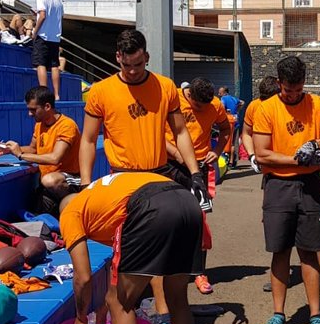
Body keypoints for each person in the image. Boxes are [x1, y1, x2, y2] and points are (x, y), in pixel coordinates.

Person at [61, 171, 202, 324]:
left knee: (120, 304)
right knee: (177, 298)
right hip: (188, 202)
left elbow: (83, 277)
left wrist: (81, 316)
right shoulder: (101, 193)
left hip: (150, 207)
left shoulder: (70, 212)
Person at [251, 54, 320, 324]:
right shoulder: (266, 108)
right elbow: (262, 153)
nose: (293, 95)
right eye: (288, 90)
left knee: (309, 251)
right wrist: (298, 157)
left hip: (310, 186)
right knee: (280, 251)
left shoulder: (318, 104)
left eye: (298, 89)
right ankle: (278, 314)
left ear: (304, 82)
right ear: (280, 83)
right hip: (278, 188)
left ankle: (316, 315)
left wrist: (314, 143)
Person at [79, 28, 207, 197]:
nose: (132, 71)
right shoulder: (100, 91)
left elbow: (180, 131)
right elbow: (89, 139)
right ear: (118, 57)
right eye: (126, 65)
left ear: (146, 57)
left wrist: (195, 173)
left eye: (138, 64)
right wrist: (85, 183)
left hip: (158, 174)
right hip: (121, 176)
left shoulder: (165, 87)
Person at [165, 78, 231, 294]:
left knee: (199, 219)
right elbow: (155, 130)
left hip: (199, 166)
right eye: (198, 106)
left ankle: (199, 272)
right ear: (189, 95)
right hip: (170, 165)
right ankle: (168, 271)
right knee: (170, 219)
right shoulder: (172, 98)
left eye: (206, 106)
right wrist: (177, 154)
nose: (202, 110)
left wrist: (219, 150)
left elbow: (225, 128)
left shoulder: (216, 105)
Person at [0, 86, 82, 213]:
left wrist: (20, 155)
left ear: (47, 106)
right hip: (47, 183)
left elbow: (55, 158)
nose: (30, 114)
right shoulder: (39, 125)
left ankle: (75, 204)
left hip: (70, 178)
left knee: (50, 180)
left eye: (33, 110)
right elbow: (32, 149)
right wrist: (10, 149)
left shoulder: (67, 126)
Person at [33, 0, 64, 99]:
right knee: (54, 65)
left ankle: (44, 93)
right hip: (55, 37)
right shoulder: (58, 0)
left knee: (41, 64)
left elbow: (42, 15)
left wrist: (35, 32)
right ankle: (56, 94)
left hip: (43, 35)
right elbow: (61, 17)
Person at [218, 85, 244, 167]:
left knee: (228, 142)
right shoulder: (233, 98)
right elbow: (242, 102)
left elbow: (221, 107)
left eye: (220, 92)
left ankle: (229, 161)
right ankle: (234, 161)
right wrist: (237, 110)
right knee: (235, 142)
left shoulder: (223, 99)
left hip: (228, 122)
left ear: (224, 92)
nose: (219, 94)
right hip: (236, 121)